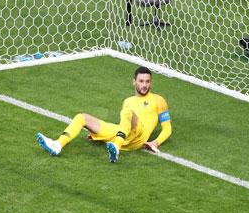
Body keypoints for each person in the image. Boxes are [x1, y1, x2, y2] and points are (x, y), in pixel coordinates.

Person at [36, 66, 173, 163]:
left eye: (147, 81)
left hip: (140, 135)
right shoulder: (127, 101)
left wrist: (156, 142)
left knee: (127, 113)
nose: (144, 85)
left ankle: (116, 147)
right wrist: (101, 136)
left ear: (151, 82)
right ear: (134, 82)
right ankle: (58, 145)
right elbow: (124, 126)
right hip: (124, 135)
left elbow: (167, 128)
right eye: (141, 81)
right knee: (81, 117)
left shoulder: (158, 100)